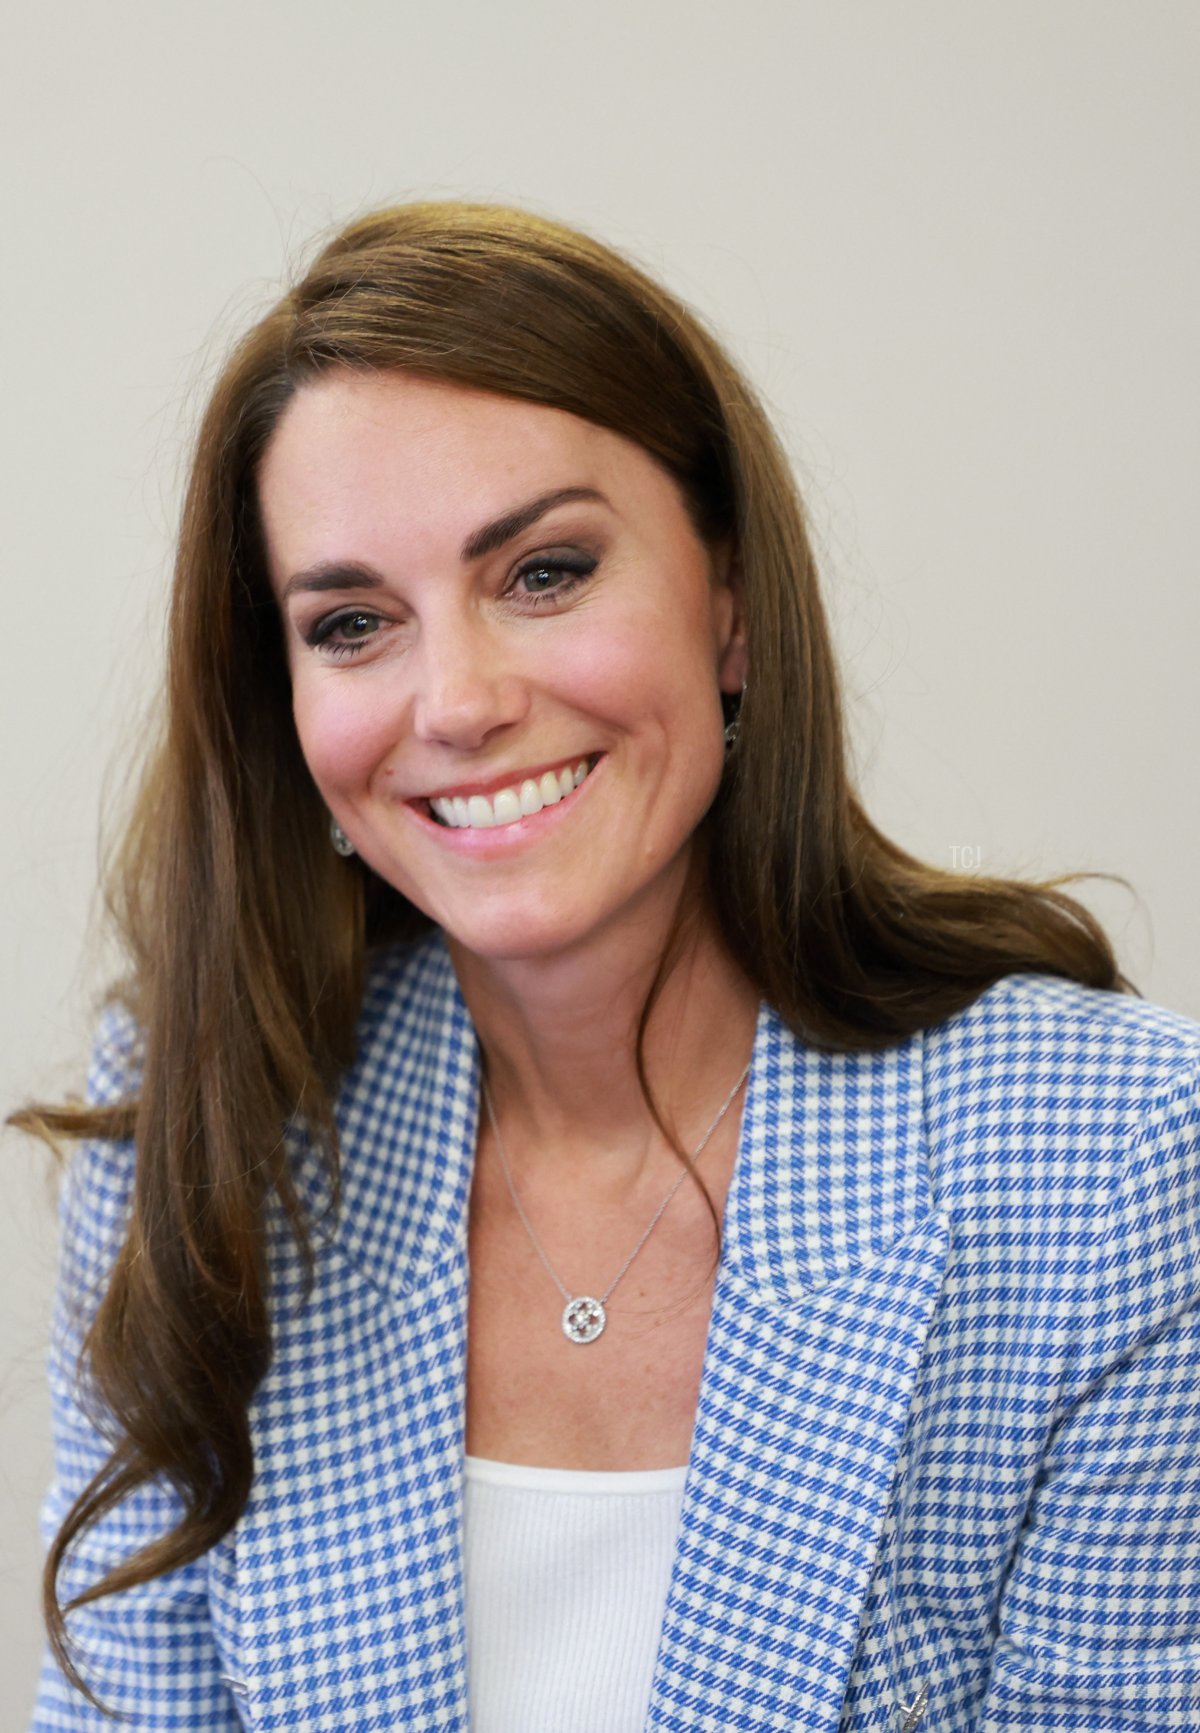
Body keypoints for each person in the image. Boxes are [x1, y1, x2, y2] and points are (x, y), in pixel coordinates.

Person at [19, 201, 1200, 1732]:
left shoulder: (1113, 1158)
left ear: (731, 606)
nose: (455, 701)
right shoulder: (212, 1129)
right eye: (355, 621)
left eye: (546, 572)